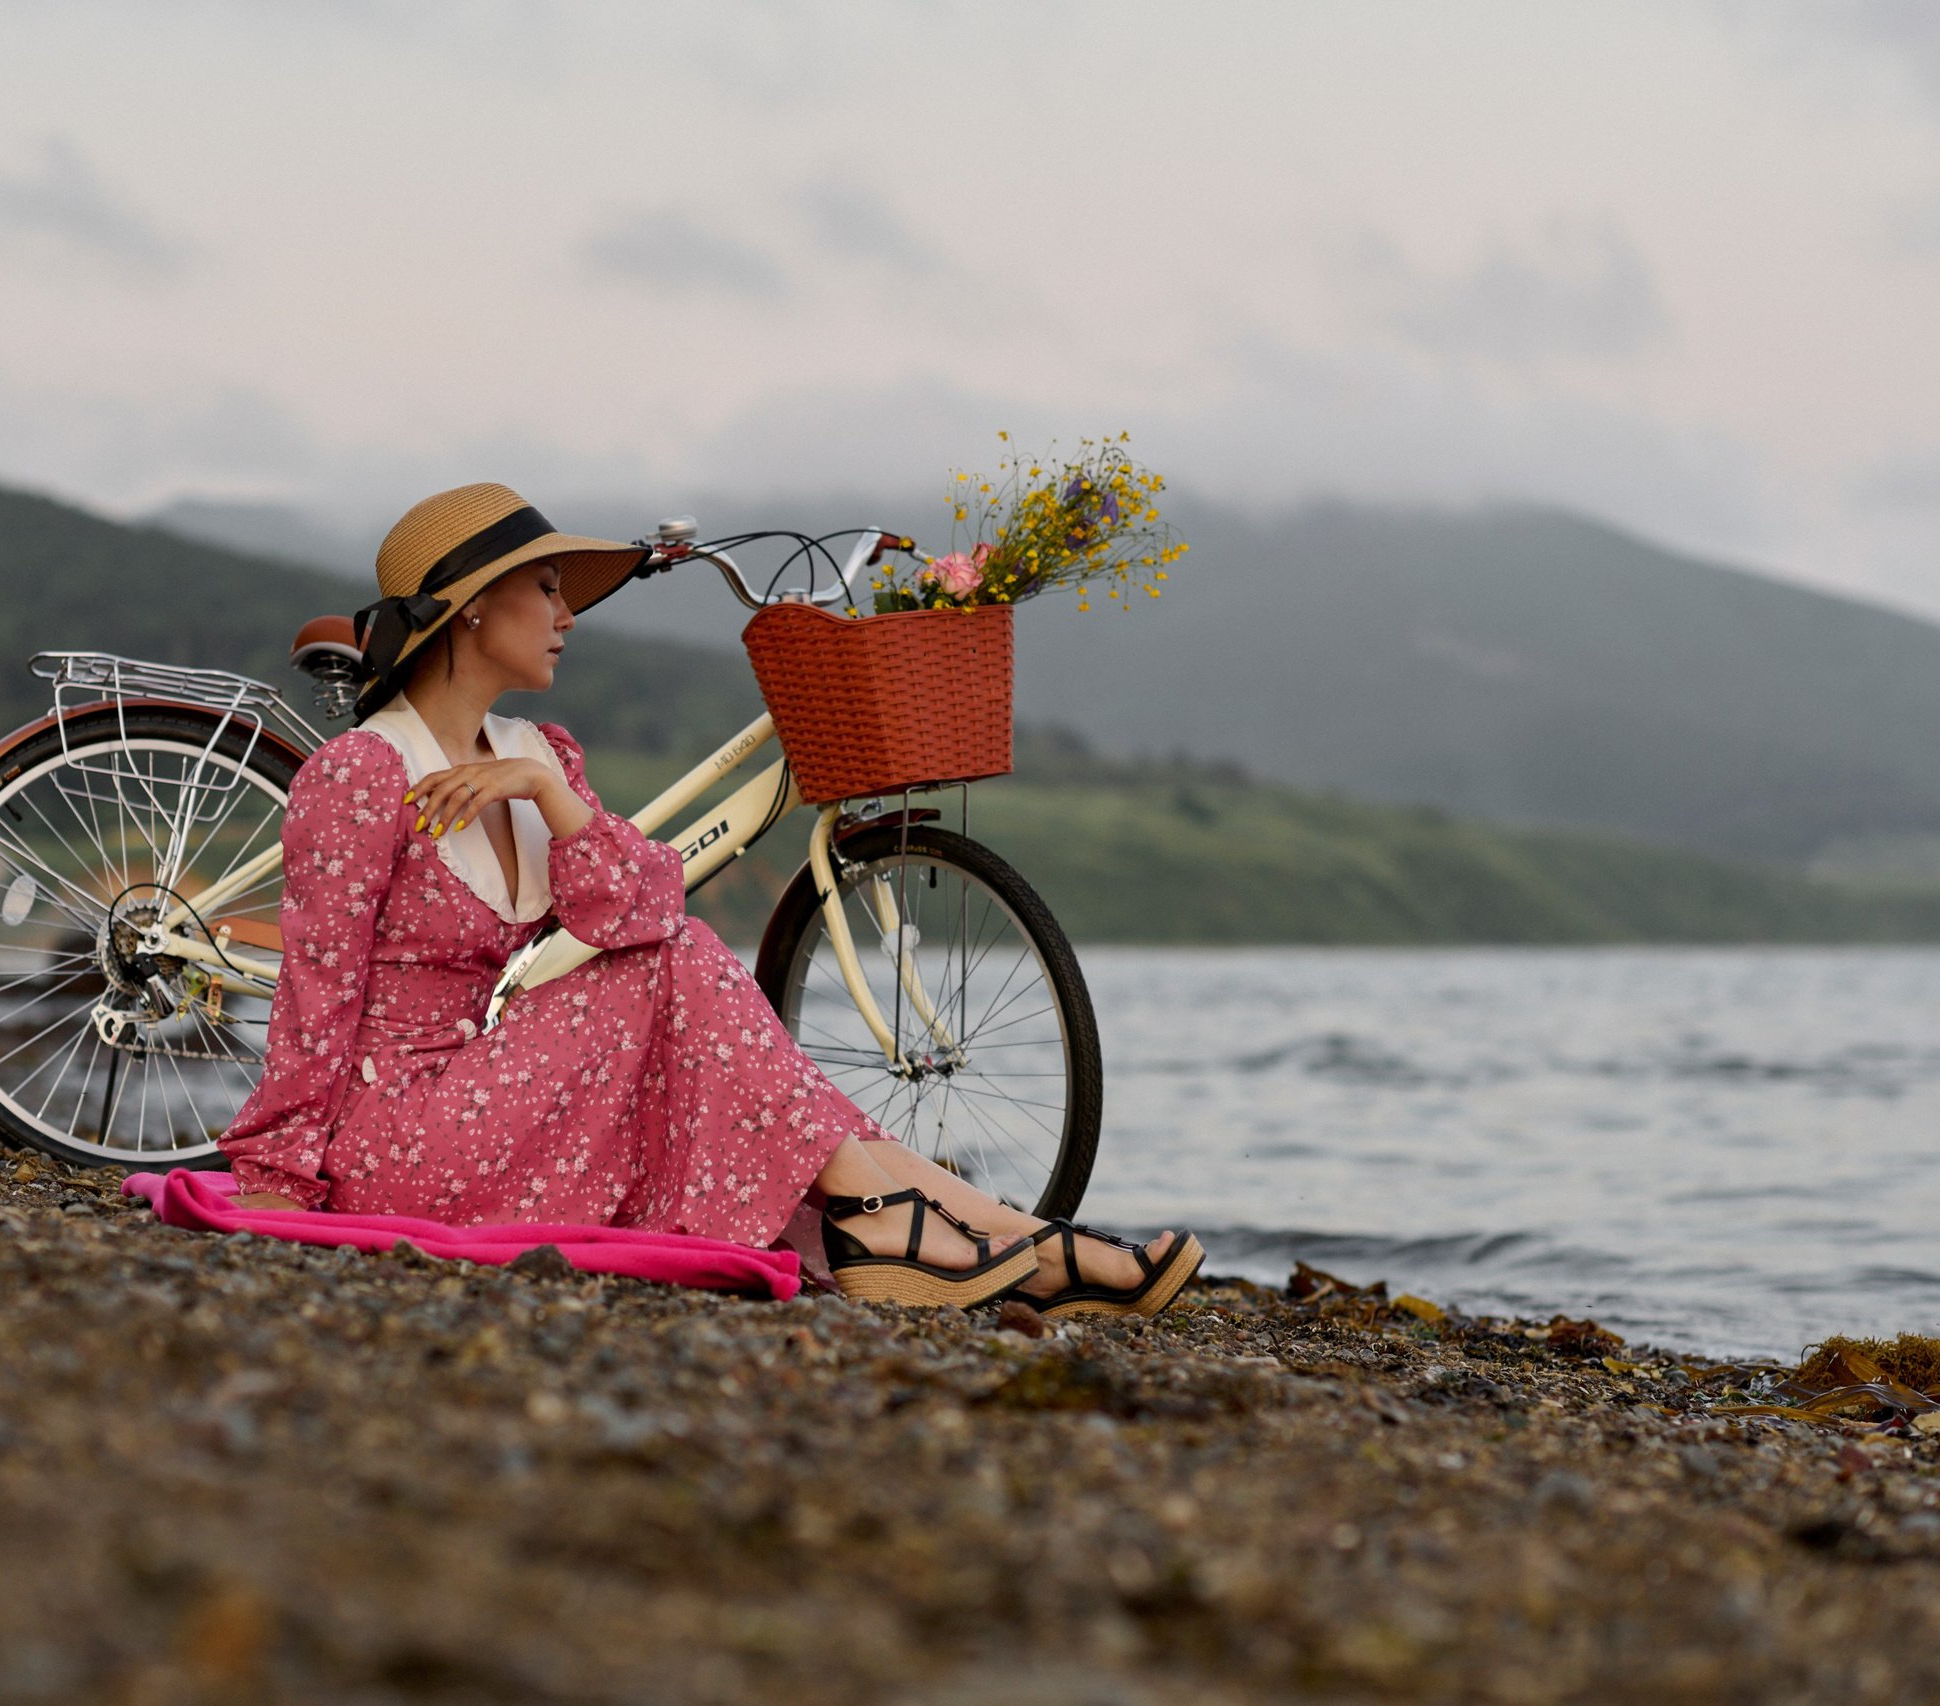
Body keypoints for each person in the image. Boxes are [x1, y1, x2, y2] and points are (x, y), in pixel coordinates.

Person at [218, 483, 1202, 1314]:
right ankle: (930, 1229)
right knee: (678, 960)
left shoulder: (534, 754)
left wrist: (553, 798)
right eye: (547, 588)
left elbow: (635, 912)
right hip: (399, 1137)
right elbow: (315, 996)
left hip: (492, 1093)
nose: (568, 615)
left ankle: (1015, 1239)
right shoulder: (362, 772)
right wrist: (278, 1183)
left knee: (680, 965)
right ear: (471, 606)